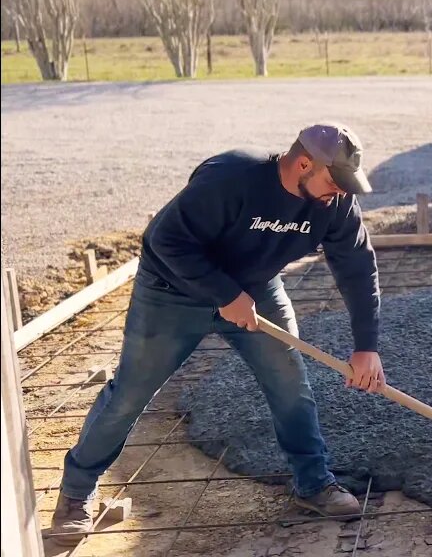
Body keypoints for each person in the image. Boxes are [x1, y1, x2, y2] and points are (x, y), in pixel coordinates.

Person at [52, 124, 386, 544]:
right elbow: (164, 239)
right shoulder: (232, 177)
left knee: (289, 384)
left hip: (256, 288)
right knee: (130, 394)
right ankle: (75, 493)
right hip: (171, 290)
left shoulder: (336, 204)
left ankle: (314, 483)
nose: (339, 193)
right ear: (304, 163)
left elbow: (357, 267)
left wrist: (366, 347)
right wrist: (225, 294)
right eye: (334, 183)